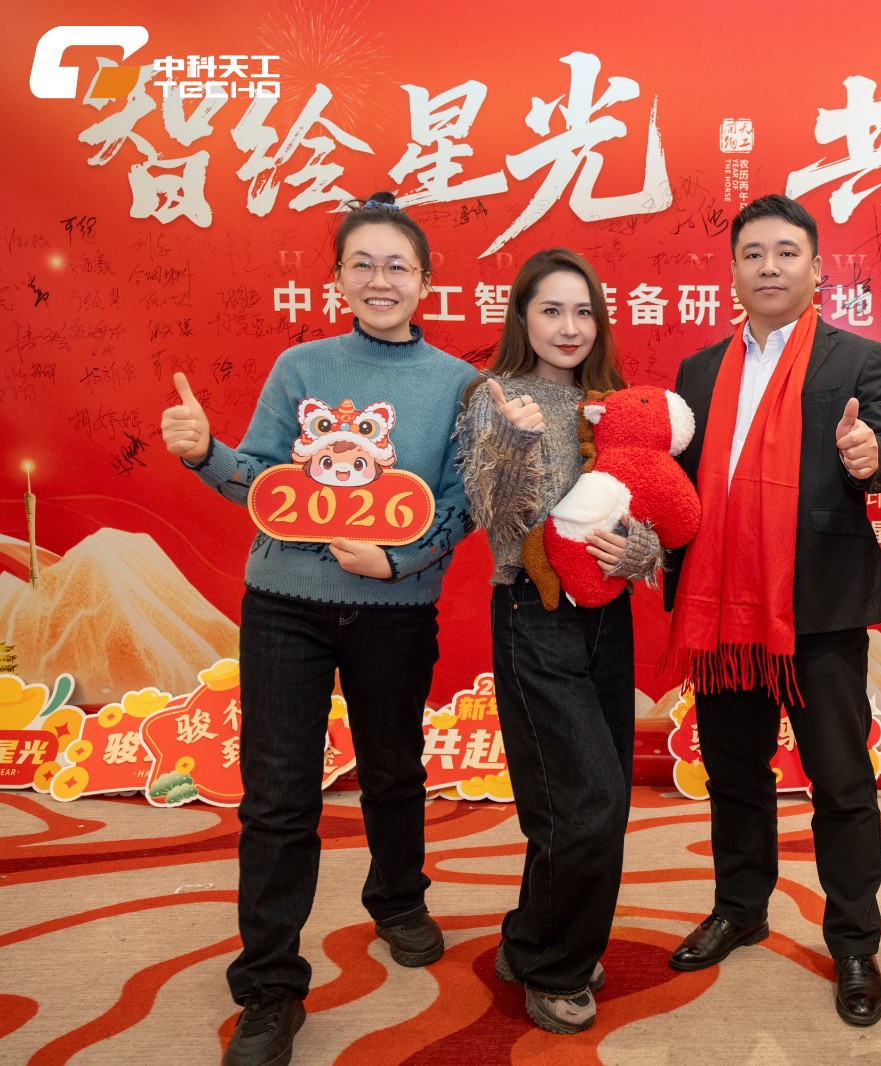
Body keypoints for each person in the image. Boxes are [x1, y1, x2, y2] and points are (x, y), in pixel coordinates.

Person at [159, 191, 477, 1066]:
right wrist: (203, 454)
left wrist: (397, 562)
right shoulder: (300, 367)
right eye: (362, 264)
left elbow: (461, 505)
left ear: (425, 282)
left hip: (395, 611)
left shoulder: (459, 384)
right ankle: (269, 987)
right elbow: (260, 483)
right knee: (277, 797)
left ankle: (398, 900)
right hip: (283, 607)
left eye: (397, 265)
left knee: (393, 769)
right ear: (337, 280)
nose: (381, 279)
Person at [660, 193, 881, 1027]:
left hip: (818, 604)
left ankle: (855, 943)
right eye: (753, 254)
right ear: (733, 270)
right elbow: (678, 484)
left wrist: (871, 454)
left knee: (841, 779)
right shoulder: (699, 372)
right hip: (723, 608)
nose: (769, 267)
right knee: (734, 773)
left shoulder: (859, 358)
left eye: (786, 253)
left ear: (816, 268)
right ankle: (740, 907)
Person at [454, 247, 662, 1034]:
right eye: (551, 310)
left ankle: (532, 940)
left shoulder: (617, 406)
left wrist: (637, 551)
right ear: (522, 317)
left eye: (583, 312)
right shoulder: (493, 397)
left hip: (608, 616)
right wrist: (512, 441)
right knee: (584, 802)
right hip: (533, 612)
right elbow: (494, 518)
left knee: (586, 799)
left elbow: (655, 515)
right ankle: (556, 966)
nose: (569, 327)